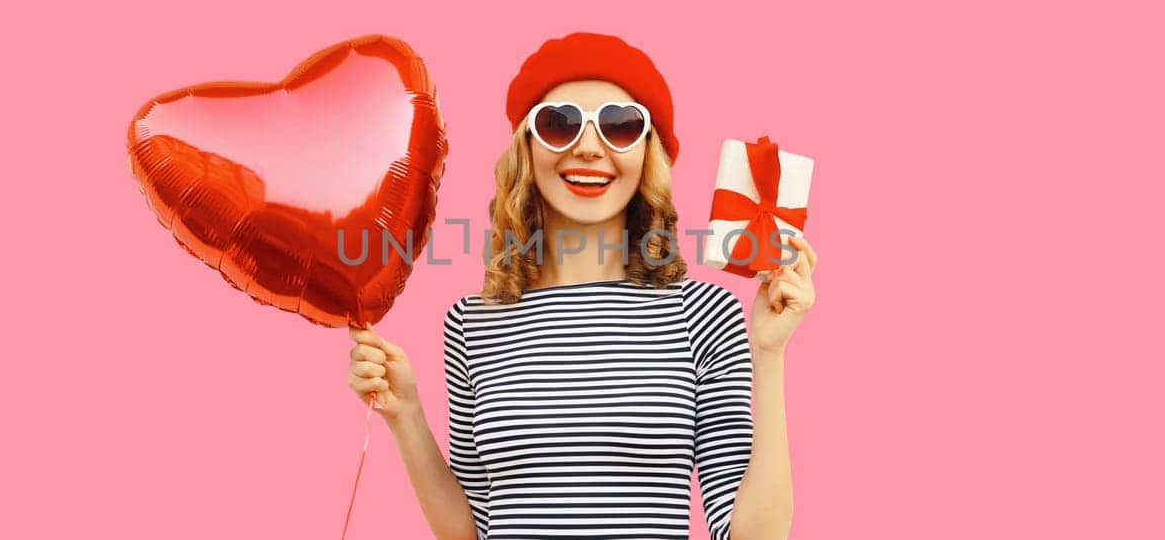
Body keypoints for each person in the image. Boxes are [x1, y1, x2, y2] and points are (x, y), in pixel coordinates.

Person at [346, 32, 816, 540]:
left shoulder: (702, 314)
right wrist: (407, 412)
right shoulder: (470, 322)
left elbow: (753, 536)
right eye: (559, 123)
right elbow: (468, 531)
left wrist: (769, 353)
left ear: (646, 153)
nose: (588, 147)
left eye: (619, 126)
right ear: (527, 147)